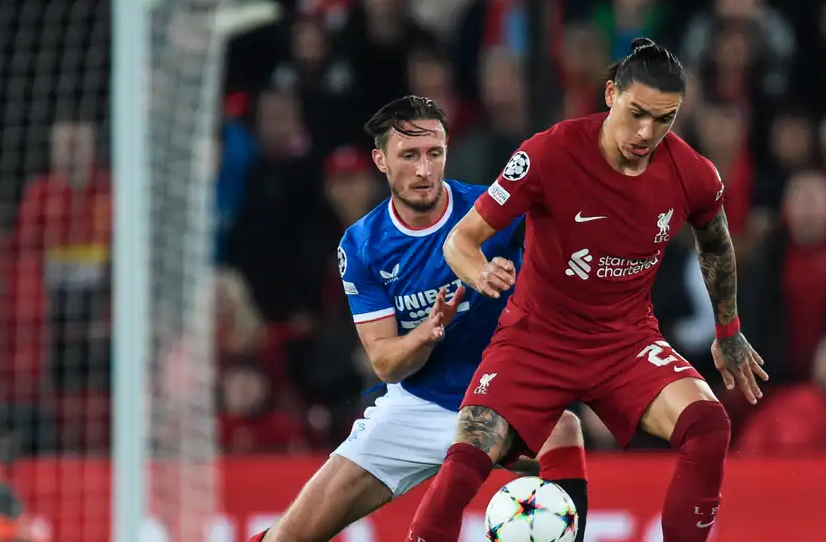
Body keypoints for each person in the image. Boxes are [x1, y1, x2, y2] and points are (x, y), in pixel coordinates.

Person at [404, 38, 769, 542]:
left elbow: (716, 243)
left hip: (625, 342)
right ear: (610, 93)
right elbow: (461, 240)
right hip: (537, 340)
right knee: (466, 461)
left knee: (708, 427)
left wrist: (728, 329)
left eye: (664, 119)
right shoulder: (548, 154)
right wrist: (480, 271)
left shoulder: (692, 173)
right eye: (637, 113)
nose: (647, 133)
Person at [250, 96, 590, 542]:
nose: (425, 170)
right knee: (289, 536)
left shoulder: (493, 212)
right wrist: (426, 335)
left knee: (564, 427)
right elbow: (386, 363)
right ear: (381, 160)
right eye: (409, 156)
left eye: (434, 154)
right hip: (417, 406)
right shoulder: (362, 245)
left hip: (499, 399)